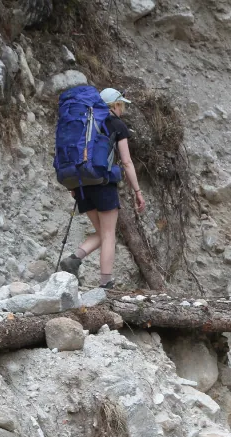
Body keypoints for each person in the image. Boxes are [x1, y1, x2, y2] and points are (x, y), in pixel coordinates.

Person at [59, 88, 146, 288]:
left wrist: (73, 184)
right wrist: (137, 192)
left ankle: (73, 259)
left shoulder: (83, 123)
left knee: (102, 231)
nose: (122, 109)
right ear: (115, 105)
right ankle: (106, 282)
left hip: (81, 184)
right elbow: (127, 162)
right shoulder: (117, 124)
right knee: (109, 234)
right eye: (121, 105)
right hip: (103, 184)